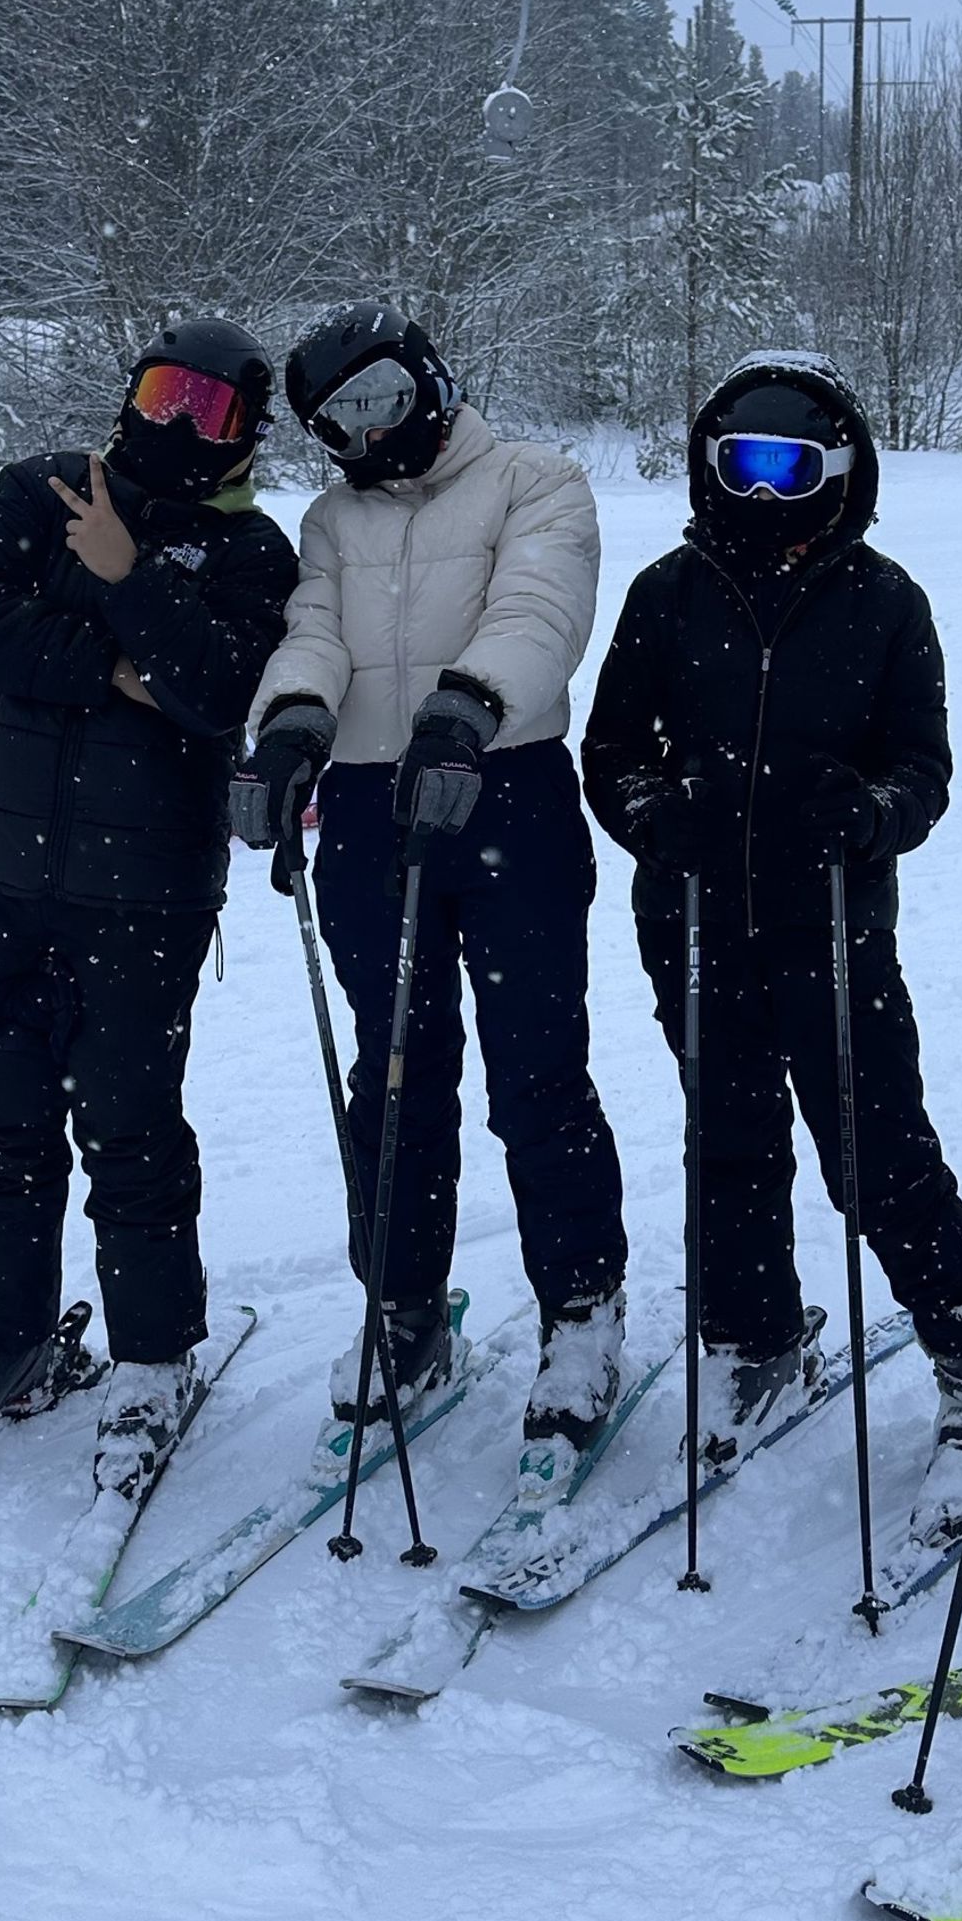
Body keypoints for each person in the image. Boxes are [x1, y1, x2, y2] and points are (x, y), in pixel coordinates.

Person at [581, 355, 962, 1548]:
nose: (764, 494)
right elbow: (610, 743)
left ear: (839, 473)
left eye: (790, 469)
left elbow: (921, 767)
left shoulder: (885, 602)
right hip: (691, 914)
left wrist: (873, 813)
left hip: (830, 918)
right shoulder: (669, 593)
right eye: (741, 466)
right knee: (725, 1132)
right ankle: (752, 1333)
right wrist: (645, 813)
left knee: (873, 1142)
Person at [232, 304, 626, 1448]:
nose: (365, 436)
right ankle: (403, 1303)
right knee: (397, 1069)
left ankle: (582, 1307)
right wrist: (291, 725)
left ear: (430, 383)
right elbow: (313, 633)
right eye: (337, 422)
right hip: (367, 806)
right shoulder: (330, 521)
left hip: (503, 785)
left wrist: (467, 703)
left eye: (382, 402)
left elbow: (540, 606)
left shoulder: (533, 480)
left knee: (538, 1073)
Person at [0, 319, 298, 1495]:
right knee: (1, 1123)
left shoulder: (252, 554)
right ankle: (0, 1336)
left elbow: (222, 687)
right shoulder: (44, 492)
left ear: (245, 431)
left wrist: (130, 580)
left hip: (145, 894)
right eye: (165, 394)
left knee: (130, 1130)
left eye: (210, 408)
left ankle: (151, 1359)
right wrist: (107, 661)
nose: (180, 424)